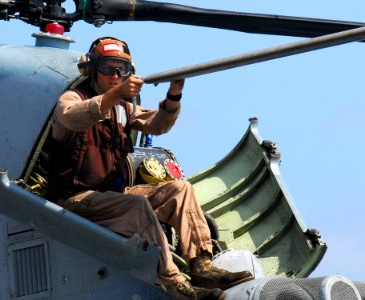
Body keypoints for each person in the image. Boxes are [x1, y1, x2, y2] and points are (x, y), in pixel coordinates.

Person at [48, 36, 254, 299]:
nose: (114, 74)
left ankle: (201, 264)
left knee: (180, 190)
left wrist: (173, 96)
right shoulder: (74, 99)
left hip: (111, 200)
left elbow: (158, 125)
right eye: (107, 67)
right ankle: (176, 284)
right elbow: (71, 117)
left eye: (120, 69)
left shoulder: (124, 109)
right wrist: (114, 95)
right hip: (75, 200)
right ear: (92, 69)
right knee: (137, 206)